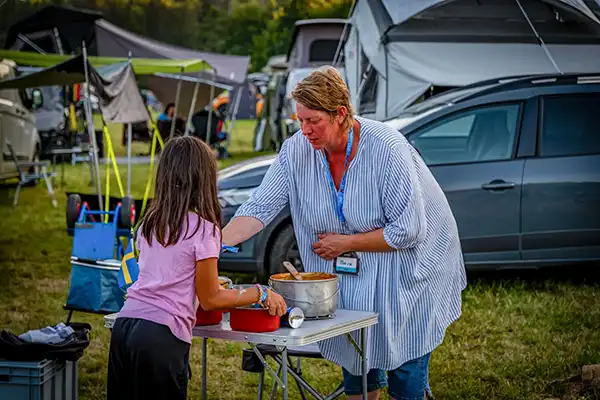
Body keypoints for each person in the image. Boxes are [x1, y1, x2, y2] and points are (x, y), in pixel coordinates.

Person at [221, 66, 467, 400]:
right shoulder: (296, 150)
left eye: (313, 121)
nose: (305, 130)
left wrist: (346, 243)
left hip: (412, 268)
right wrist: (210, 244)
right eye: (300, 121)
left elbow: (409, 230)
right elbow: (259, 207)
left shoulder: (386, 148)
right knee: (358, 361)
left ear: (340, 114)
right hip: (353, 272)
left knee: (404, 369)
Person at [107, 136, 287, 400]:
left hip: (125, 327)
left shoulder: (149, 223)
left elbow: (167, 276)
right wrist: (259, 293)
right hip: (160, 337)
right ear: (204, 180)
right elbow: (211, 298)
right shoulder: (204, 230)